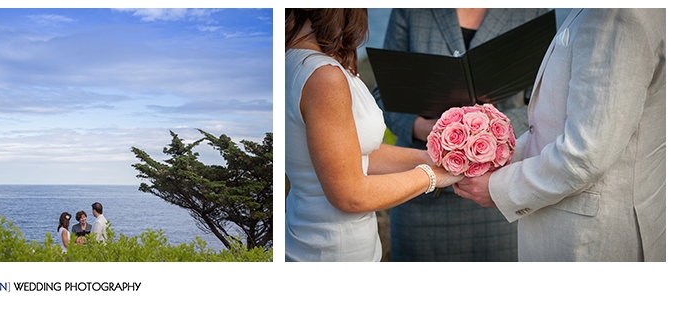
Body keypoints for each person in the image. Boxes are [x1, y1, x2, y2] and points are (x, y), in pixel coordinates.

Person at [454, 8, 665, 261]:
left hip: (590, 240)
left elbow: (586, 154)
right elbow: (558, 124)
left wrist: (499, 188)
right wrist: (494, 153)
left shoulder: (615, 14)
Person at [371, 8, 549, 261]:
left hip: (496, 194)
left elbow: (544, 103)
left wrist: (493, 131)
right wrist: (425, 128)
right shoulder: (411, 10)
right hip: (421, 192)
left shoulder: (531, 10)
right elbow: (384, 94)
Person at [285, 8, 462, 262]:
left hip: (308, 237)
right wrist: (436, 176)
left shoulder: (292, 60)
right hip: (335, 250)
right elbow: (351, 195)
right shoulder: (323, 76)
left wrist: (431, 157)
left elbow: (353, 154)